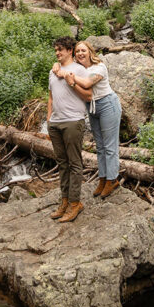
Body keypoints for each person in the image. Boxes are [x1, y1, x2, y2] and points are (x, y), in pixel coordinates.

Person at [53, 40, 122, 198]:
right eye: (77, 51)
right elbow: (63, 66)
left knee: (110, 145)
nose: (80, 53)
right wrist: (57, 66)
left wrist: (67, 75)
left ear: (90, 52)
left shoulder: (99, 67)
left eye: (83, 50)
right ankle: (103, 178)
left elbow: (86, 83)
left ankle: (113, 179)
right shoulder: (78, 69)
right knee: (100, 146)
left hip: (107, 105)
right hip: (92, 108)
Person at [47, 37, 92, 223]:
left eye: (61, 50)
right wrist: (48, 119)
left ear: (70, 50)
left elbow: (89, 95)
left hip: (73, 121)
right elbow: (50, 96)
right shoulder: (53, 71)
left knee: (74, 163)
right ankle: (64, 201)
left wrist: (70, 80)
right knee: (62, 163)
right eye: (56, 50)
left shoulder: (80, 70)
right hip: (55, 124)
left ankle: (75, 203)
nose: (58, 53)